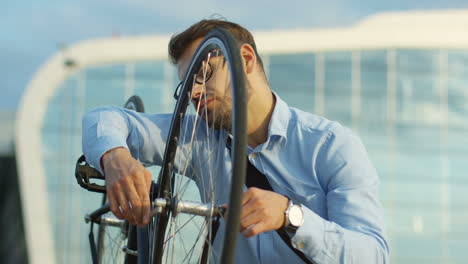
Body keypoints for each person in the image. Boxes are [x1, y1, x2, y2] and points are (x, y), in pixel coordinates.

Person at [82, 19, 389, 263]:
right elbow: (103, 118)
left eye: (203, 74)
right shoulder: (200, 139)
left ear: (245, 59)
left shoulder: (331, 146)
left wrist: (290, 215)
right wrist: (116, 158)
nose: (194, 94)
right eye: (186, 87)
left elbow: (372, 255)